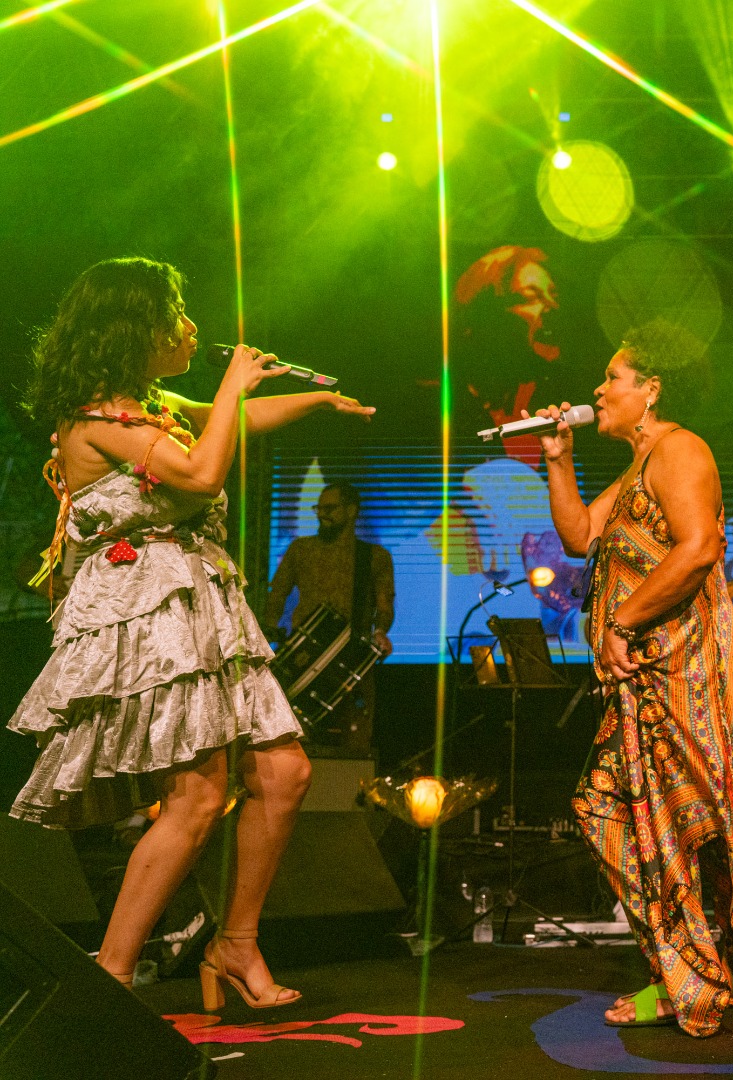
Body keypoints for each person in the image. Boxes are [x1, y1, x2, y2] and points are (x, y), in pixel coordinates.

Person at [8, 257, 374, 1006]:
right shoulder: (97, 421)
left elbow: (225, 421)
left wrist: (312, 400)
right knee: (198, 797)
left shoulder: (145, 406)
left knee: (283, 774)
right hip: (147, 616)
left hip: (202, 602)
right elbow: (203, 474)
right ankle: (110, 977)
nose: (191, 327)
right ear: (135, 328)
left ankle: (235, 943)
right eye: (175, 313)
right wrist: (236, 385)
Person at [530, 319, 733, 1037]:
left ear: (652, 389)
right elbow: (580, 535)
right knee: (625, 815)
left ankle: (694, 978)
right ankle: (686, 971)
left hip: (683, 673)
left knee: (679, 820)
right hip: (644, 677)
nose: (598, 390)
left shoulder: (679, 449)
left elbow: (697, 548)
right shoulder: (638, 465)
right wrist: (557, 460)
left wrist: (621, 620)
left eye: (613, 378)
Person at [265, 481, 395, 753]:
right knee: (295, 741)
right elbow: (276, 595)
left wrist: (380, 632)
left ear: (351, 511)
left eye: (330, 508)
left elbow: (384, 605)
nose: (322, 514)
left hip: (353, 656)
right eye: (319, 508)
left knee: (356, 742)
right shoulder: (301, 549)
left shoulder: (375, 556)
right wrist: (269, 630)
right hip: (304, 657)